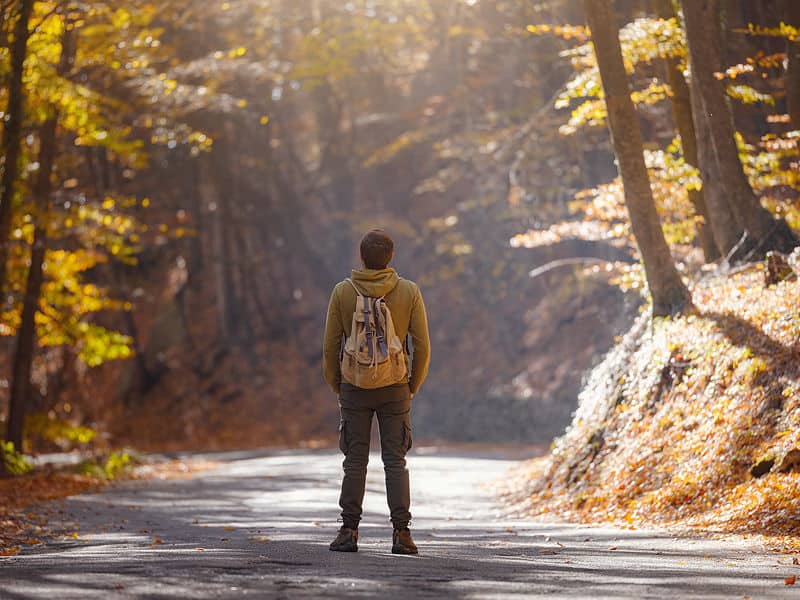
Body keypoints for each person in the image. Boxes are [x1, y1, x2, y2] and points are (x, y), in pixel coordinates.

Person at [322, 229, 430, 554]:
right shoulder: (408, 291)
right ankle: (402, 534)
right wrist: (411, 385)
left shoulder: (343, 292)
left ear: (361, 257)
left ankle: (348, 531)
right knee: (395, 461)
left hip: (354, 387)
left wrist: (339, 385)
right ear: (390, 257)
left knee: (355, 461)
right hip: (395, 387)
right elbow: (422, 345)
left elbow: (330, 347)